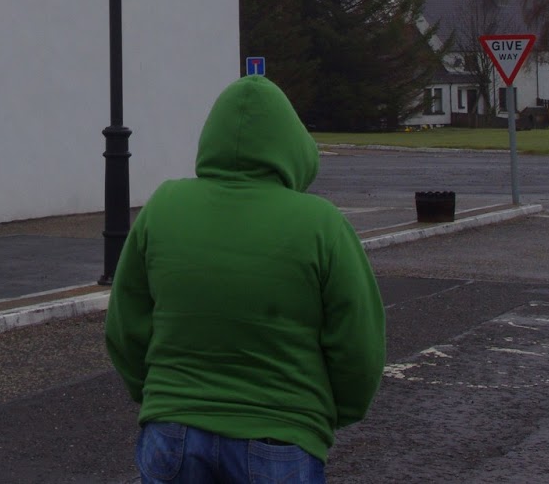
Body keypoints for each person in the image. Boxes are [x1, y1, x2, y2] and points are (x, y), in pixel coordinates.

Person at [105, 75, 385, 483]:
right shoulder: (322, 224)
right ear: (292, 144)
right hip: (282, 434)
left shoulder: (163, 207)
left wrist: (159, 394)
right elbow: (358, 344)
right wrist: (323, 414)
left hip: (174, 430)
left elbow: (124, 326)